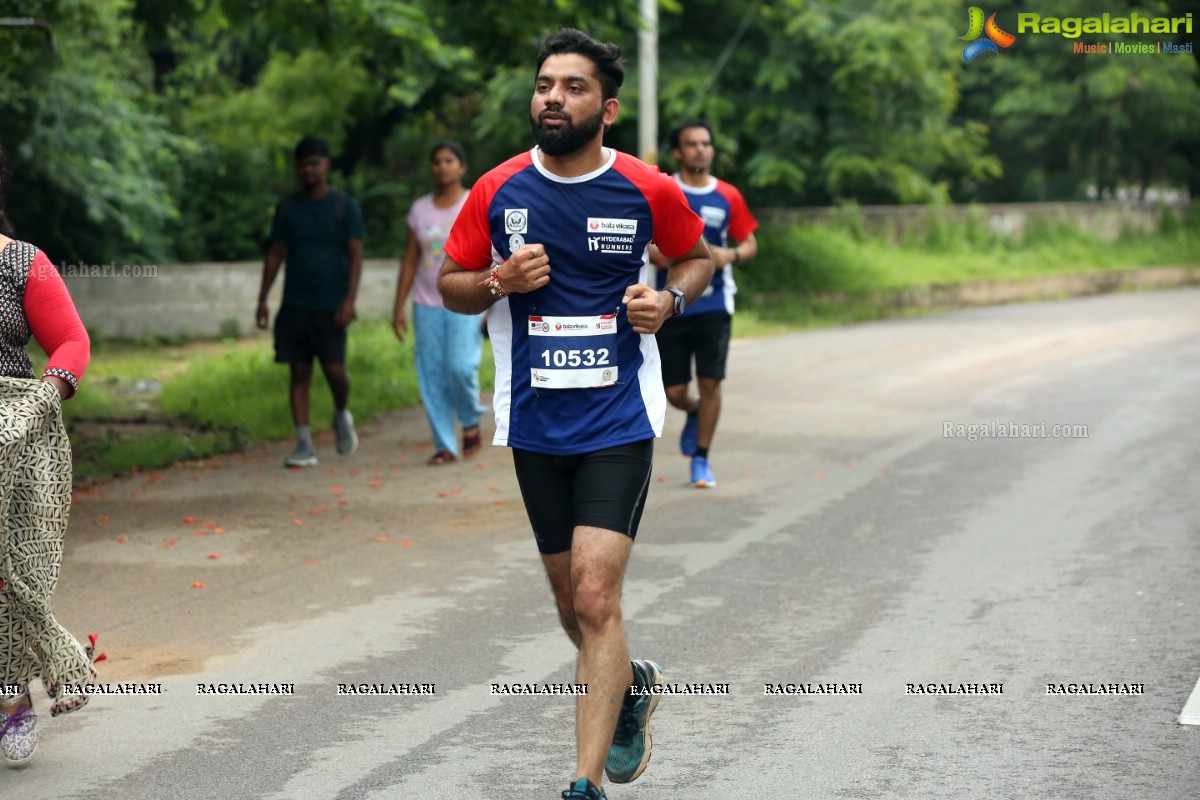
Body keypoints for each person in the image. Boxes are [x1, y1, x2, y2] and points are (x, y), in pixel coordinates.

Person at [438, 28, 714, 800]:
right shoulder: (496, 192)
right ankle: (629, 688)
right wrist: (497, 281)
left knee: (596, 596)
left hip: (620, 420)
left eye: (572, 86)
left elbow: (695, 256)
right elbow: (450, 283)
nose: (552, 97)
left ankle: (584, 784)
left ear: (609, 107)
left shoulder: (646, 188)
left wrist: (669, 298)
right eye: (543, 84)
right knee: (571, 605)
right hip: (534, 424)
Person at [0, 139, 99, 767]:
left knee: (8, 572)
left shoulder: (21, 264)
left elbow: (71, 341)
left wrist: (39, 401)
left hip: (15, 430)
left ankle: (11, 698)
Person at [654, 120, 759, 488]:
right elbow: (646, 240)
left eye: (705, 143)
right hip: (672, 302)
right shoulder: (664, 190)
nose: (700, 149)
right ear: (679, 152)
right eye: (691, 144)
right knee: (675, 392)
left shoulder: (728, 195)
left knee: (711, 380)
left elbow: (749, 243)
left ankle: (701, 459)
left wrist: (729, 254)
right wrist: (660, 254)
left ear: (712, 149)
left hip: (715, 304)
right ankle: (694, 411)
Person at [256, 136, 365, 468]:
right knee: (299, 372)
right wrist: (262, 300)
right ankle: (303, 442)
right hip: (295, 305)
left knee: (335, 371)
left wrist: (349, 301)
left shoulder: (344, 206)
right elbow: (275, 254)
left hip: (331, 306)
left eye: (314, 163)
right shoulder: (287, 208)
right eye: (303, 164)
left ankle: (340, 413)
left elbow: (355, 255)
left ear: (326, 165)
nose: (308, 170)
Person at [393, 141, 485, 465]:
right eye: (436, 161)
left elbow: (489, 254)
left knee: (460, 368)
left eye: (449, 160)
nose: (442, 167)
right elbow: (410, 259)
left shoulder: (474, 201)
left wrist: (489, 300)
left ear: (461, 166)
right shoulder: (420, 210)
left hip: (465, 300)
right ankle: (444, 444)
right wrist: (398, 308)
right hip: (426, 303)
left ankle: (470, 418)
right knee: (432, 374)